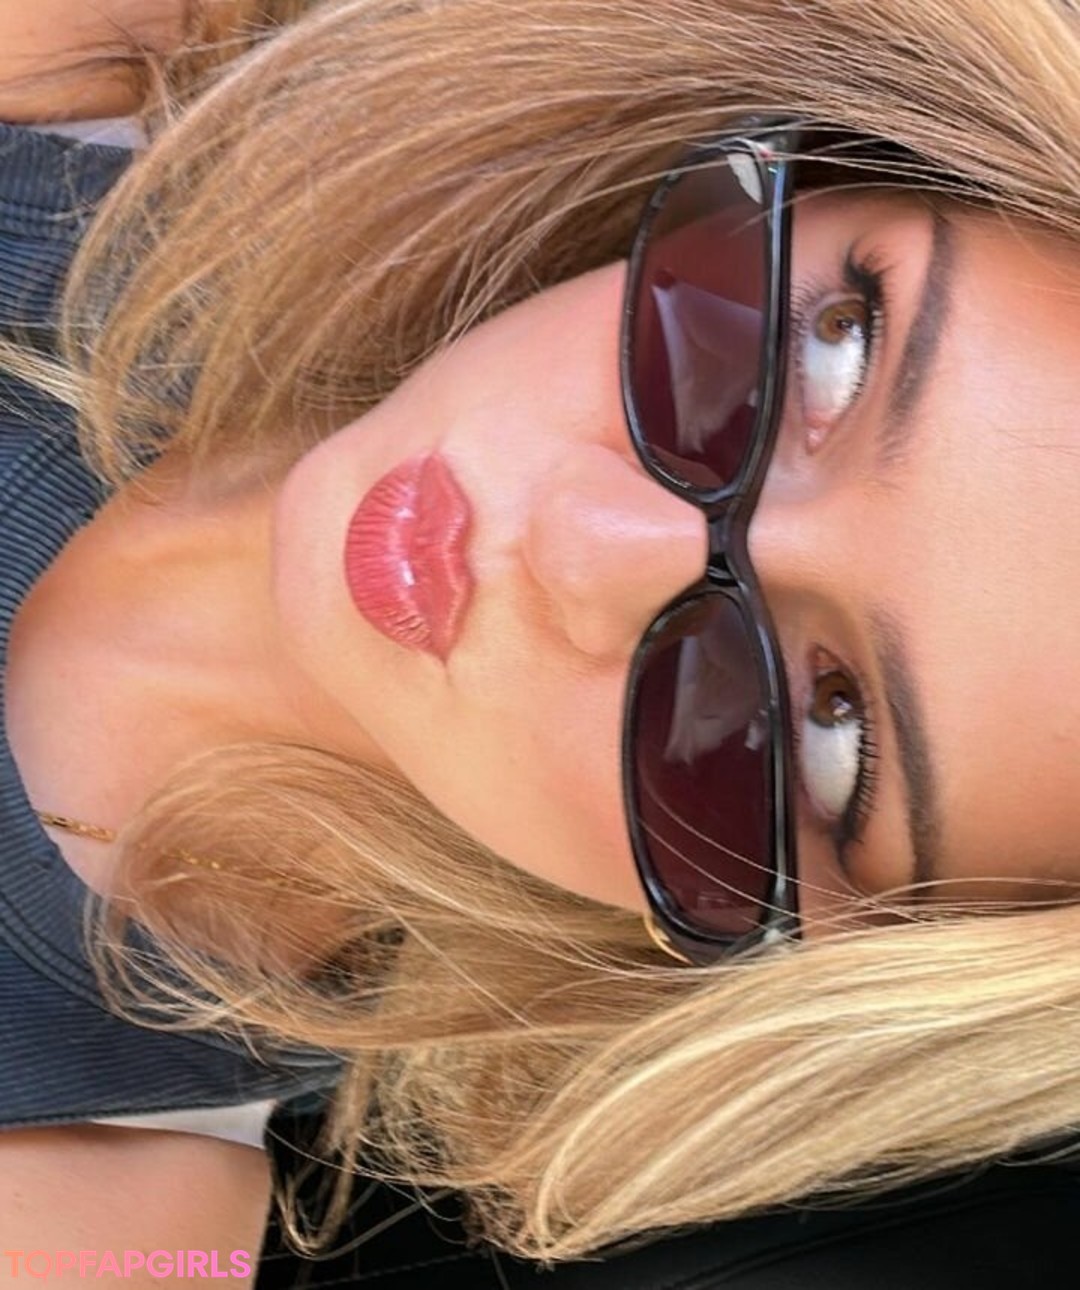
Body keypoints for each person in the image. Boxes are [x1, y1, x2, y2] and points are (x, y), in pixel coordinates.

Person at [1, 0, 1078, 1278]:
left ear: (844, 964)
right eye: (830, 351)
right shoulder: (118, 65)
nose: (581, 545)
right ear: (836, 155)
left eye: (824, 720)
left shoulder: (112, 1220)